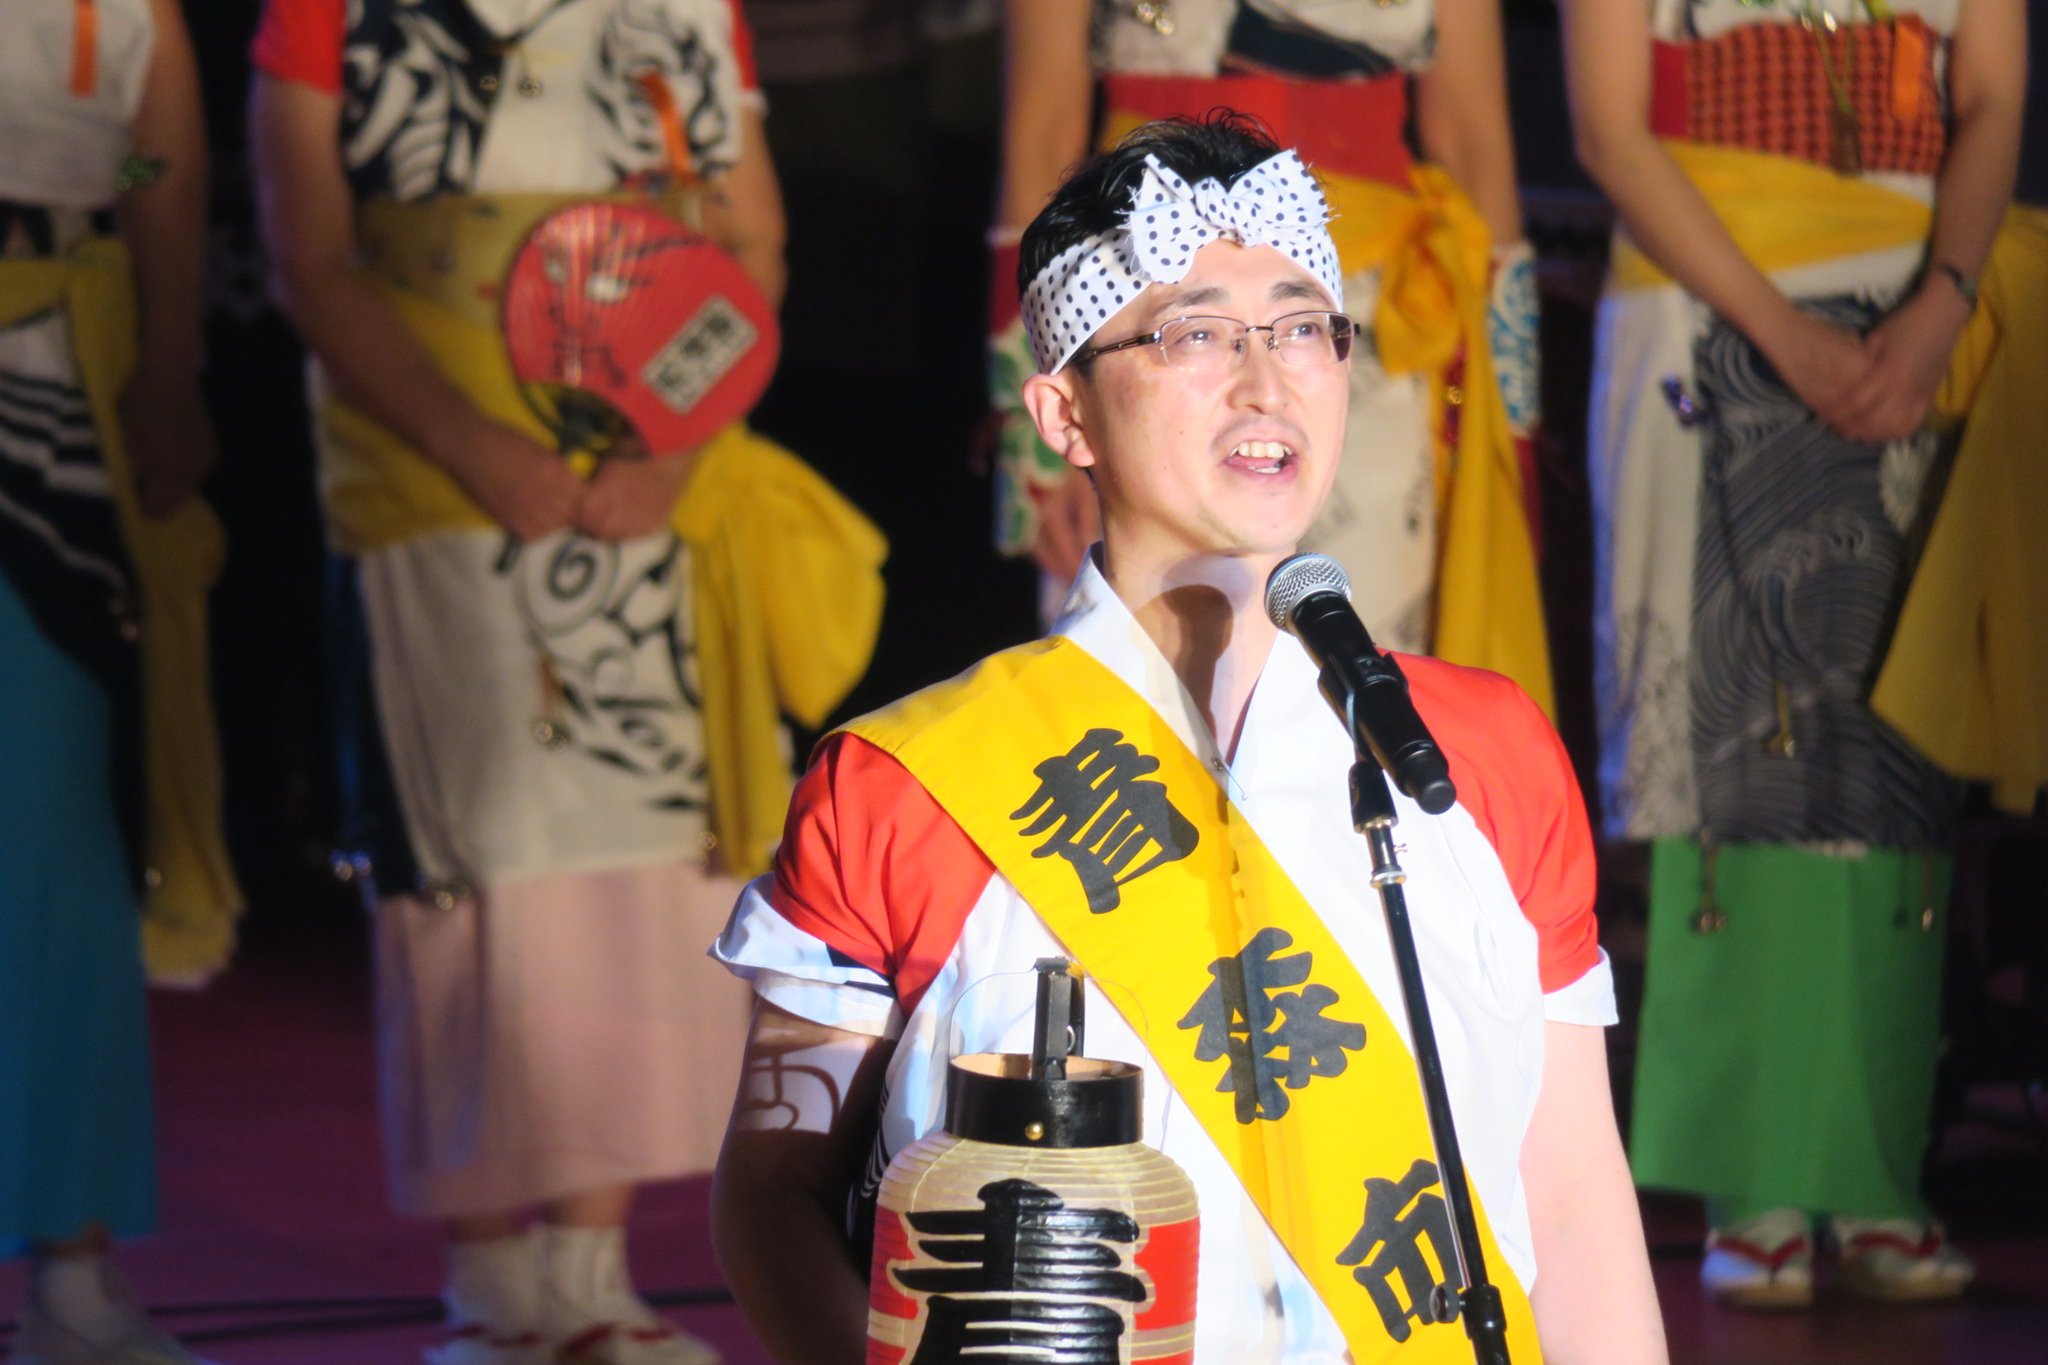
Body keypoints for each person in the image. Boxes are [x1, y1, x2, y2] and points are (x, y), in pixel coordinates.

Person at [711, 113, 1667, 1364]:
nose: (1266, 382)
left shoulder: (1473, 755)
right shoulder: (905, 785)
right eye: (1196, 335)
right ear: (1062, 414)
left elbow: (1572, 1193)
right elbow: (772, 1201)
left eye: (1301, 328)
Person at [248, 2, 884, 1362]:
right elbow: (308, 251)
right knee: (474, 855)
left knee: (644, 866)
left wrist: (668, 447)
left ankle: (591, 1277)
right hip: (429, 454)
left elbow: (749, 241)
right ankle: (489, 1285)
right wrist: (471, 443)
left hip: (648, 441)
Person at [1563, 0, 2029, 1309]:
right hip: (1709, 292)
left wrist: (1941, 302)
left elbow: (1990, 95)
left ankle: (1876, 1175)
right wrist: (1781, 330)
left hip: (1914, 303)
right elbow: (1606, 127)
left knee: (1892, 749)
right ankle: (1749, 1181)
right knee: (1741, 744)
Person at [988, 0, 1555, 723]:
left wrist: (1512, 423)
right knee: (1130, 681)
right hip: (1143, 313)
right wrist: (1039, 452)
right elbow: (1042, 128)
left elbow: (1474, 142)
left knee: (1361, 667)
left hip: (1367, 329)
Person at [0, 0, 242, 1360]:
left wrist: (167, 365)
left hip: (53, 379)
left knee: (59, 832)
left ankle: (72, 1270)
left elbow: (159, 169)